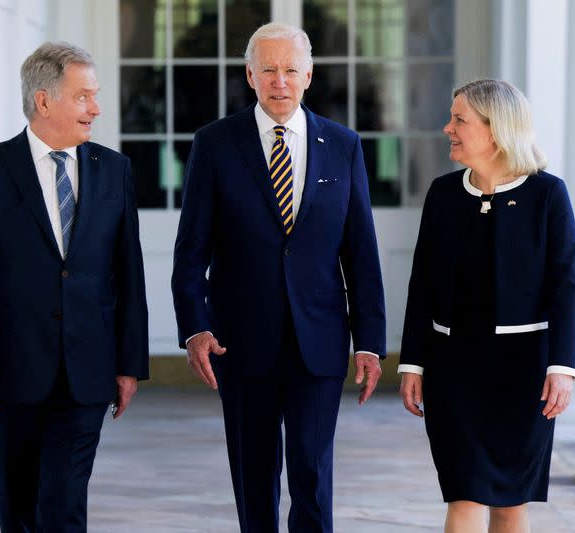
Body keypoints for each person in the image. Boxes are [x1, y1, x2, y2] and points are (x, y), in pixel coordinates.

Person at [171, 22, 386, 533]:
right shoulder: (215, 145)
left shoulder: (343, 145)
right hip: (240, 344)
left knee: (312, 472)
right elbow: (189, 253)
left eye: (291, 69)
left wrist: (371, 342)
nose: (280, 80)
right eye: (268, 69)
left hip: (320, 340)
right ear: (250, 75)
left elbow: (361, 253)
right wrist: (195, 327)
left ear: (309, 75)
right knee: (254, 473)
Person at [0, 41, 149, 532]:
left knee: (63, 507)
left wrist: (129, 365)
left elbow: (129, 274)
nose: (96, 108)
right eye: (83, 97)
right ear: (44, 101)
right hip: (9, 376)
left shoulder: (113, 170)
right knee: (17, 509)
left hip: (86, 375)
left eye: (95, 96)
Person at [398, 79, 575, 533]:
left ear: (496, 129)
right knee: (464, 492)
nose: (448, 128)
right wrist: (413, 364)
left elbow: (566, 285)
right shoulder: (443, 194)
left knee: (511, 502)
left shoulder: (547, 195)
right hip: (452, 370)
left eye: (459, 119)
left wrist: (563, 366)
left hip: (523, 374)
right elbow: (421, 283)